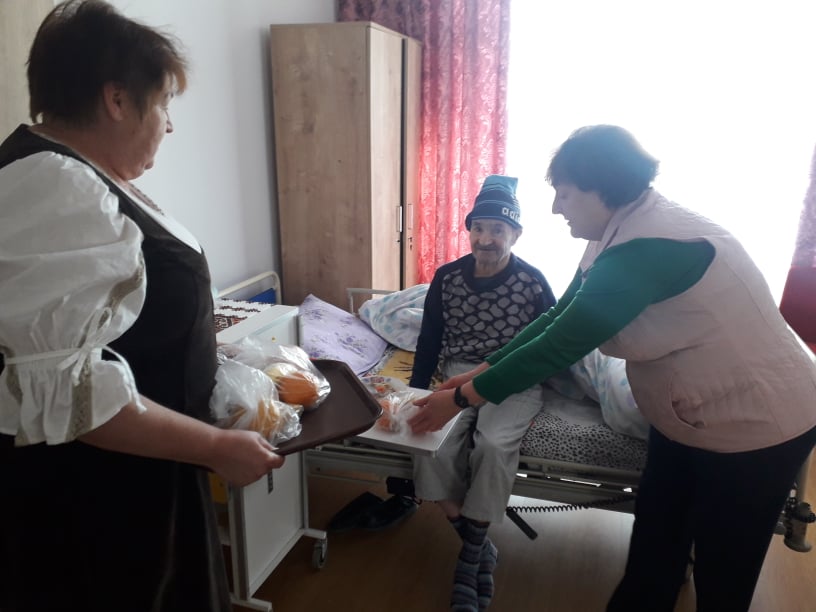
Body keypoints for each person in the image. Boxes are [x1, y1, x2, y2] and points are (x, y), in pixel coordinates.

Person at [408, 125, 816, 612]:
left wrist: (459, 399)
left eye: (563, 193)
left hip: (756, 428)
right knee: (653, 557)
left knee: (722, 578)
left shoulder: (648, 246)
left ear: (599, 187)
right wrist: (479, 372)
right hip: (687, 422)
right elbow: (557, 318)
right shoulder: (615, 231)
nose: (555, 208)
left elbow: (560, 344)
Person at [0, 2, 284, 611]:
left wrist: (209, 354)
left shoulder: (82, 176)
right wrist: (216, 449)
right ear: (117, 99)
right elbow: (74, 397)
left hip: (148, 466)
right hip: (102, 499)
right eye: (164, 105)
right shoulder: (55, 187)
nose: (169, 126)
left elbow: (110, 331)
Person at [409, 175, 557, 611]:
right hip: (457, 373)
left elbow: (549, 343)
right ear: (469, 230)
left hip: (513, 376)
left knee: (492, 444)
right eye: (478, 227)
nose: (486, 238)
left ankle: (468, 561)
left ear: (516, 234)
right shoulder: (447, 277)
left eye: (497, 229)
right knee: (429, 440)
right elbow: (430, 338)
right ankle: (478, 547)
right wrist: (415, 389)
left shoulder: (532, 282)